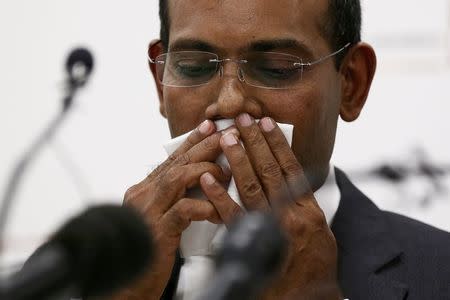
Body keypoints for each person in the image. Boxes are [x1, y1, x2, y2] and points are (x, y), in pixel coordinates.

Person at [109, 0, 450, 299]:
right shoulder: (84, 277)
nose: (228, 102)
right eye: (194, 66)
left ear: (351, 83)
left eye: (277, 68)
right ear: (160, 79)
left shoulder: (440, 272)